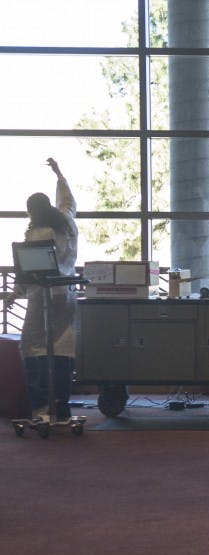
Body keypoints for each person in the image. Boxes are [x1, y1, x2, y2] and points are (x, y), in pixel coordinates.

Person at [16, 158, 80, 422]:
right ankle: (62, 405)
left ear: (32, 212)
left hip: (41, 296)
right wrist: (59, 174)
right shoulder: (67, 223)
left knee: (33, 347)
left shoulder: (37, 235)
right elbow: (68, 201)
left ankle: (41, 408)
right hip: (65, 295)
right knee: (63, 347)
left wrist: (15, 291)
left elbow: (29, 272)